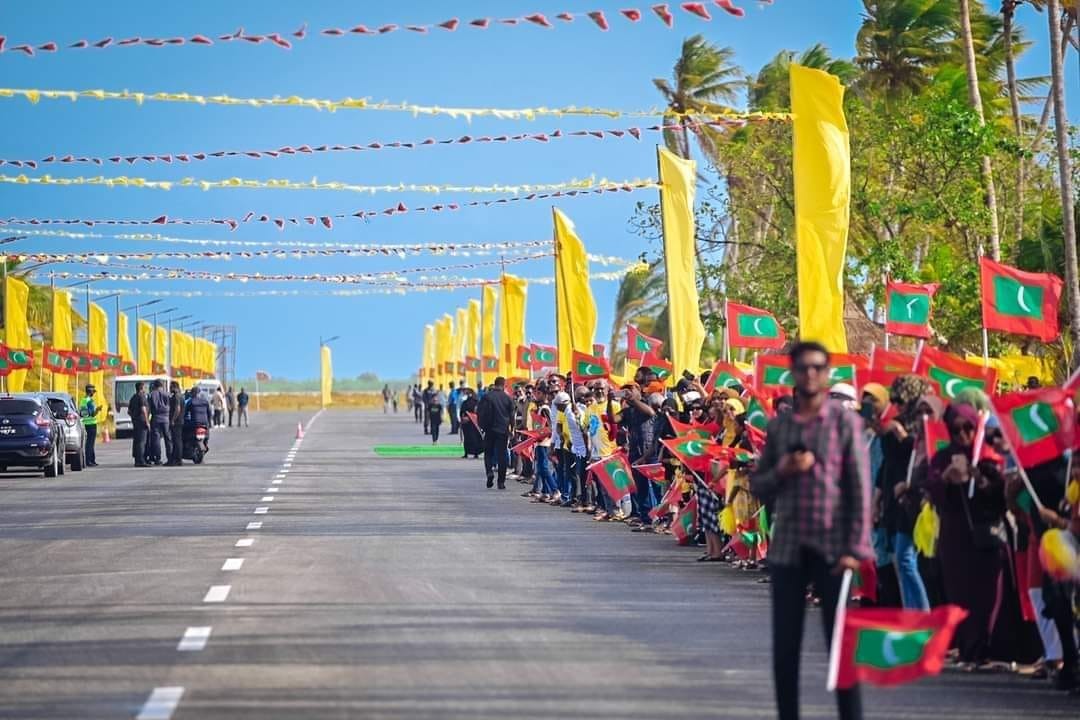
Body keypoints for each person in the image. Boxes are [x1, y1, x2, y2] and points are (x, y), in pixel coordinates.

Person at [750, 341, 871, 720]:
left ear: (827, 372)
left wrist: (855, 548)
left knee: (840, 648)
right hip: (788, 548)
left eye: (818, 367)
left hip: (833, 548)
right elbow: (759, 485)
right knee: (785, 648)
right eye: (803, 367)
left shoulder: (844, 423)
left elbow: (860, 488)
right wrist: (782, 470)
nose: (811, 374)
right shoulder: (780, 426)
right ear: (793, 373)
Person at [927, 401, 1008, 671]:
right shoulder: (942, 457)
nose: (962, 434)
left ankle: (983, 649)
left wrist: (980, 479)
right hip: (955, 538)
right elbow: (932, 490)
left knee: (985, 595)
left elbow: (1000, 497)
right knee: (959, 593)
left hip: (985, 537)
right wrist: (946, 479)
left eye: (968, 428)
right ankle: (967, 649)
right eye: (956, 429)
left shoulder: (987, 455)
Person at [477, 376, 515, 489]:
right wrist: (512, 429)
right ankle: (501, 482)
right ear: (504, 385)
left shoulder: (486, 397)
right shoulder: (507, 398)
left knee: (488, 453)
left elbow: (480, 412)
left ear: (495, 384)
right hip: (503, 430)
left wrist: (482, 427)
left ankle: (489, 472)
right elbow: (512, 415)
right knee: (502, 455)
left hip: (489, 429)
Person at [148, 379, 171, 466]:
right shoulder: (167, 394)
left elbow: (149, 408)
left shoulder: (151, 394)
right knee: (168, 438)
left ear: (154, 385)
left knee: (156, 439)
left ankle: (158, 458)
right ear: (162, 385)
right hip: (166, 418)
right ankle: (170, 457)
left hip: (156, 418)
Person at [128, 381, 150, 467]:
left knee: (137, 441)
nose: (145, 389)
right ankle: (141, 461)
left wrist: (134, 417)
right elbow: (143, 409)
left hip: (136, 422)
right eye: (144, 387)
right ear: (141, 388)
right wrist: (147, 421)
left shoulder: (133, 397)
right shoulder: (142, 396)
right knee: (142, 442)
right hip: (142, 422)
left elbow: (129, 411)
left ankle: (137, 460)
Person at [459, 387, 484, 459]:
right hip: (468, 423)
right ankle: (468, 452)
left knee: (474, 438)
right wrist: (463, 418)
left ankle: (474, 453)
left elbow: (479, 412)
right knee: (468, 438)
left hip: (474, 422)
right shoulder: (467, 402)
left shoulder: (476, 402)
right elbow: (462, 411)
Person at [79, 384, 100, 467]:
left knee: (89, 443)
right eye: (93, 392)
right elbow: (92, 414)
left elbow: (83, 413)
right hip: (91, 424)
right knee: (90, 443)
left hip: (86, 423)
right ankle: (89, 461)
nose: (93, 393)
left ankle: (91, 460)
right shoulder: (89, 401)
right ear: (90, 392)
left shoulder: (83, 400)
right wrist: (97, 410)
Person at [167, 381, 185, 466]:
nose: (170, 389)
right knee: (176, 440)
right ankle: (175, 459)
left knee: (177, 441)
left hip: (177, 422)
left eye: (170, 387)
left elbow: (177, 409)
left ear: (174, 387)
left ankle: (178, 459)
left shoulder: (177, 396)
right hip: (179, 421)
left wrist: (173, 419)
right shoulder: (180, 396)